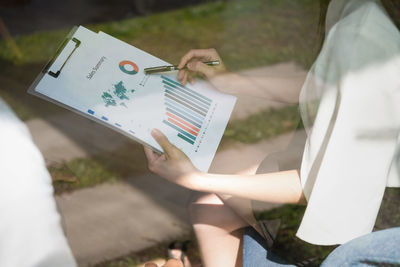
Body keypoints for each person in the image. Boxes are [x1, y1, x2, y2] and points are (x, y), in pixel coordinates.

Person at [144, 0, 400, 266]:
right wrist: (234, 82)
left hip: (361, 222)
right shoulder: (365, 14)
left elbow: (324, 189)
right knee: (209, 201)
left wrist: (194, 178)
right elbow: (327, 86)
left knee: (208, 205)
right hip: (361, 192)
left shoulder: (364, 36)